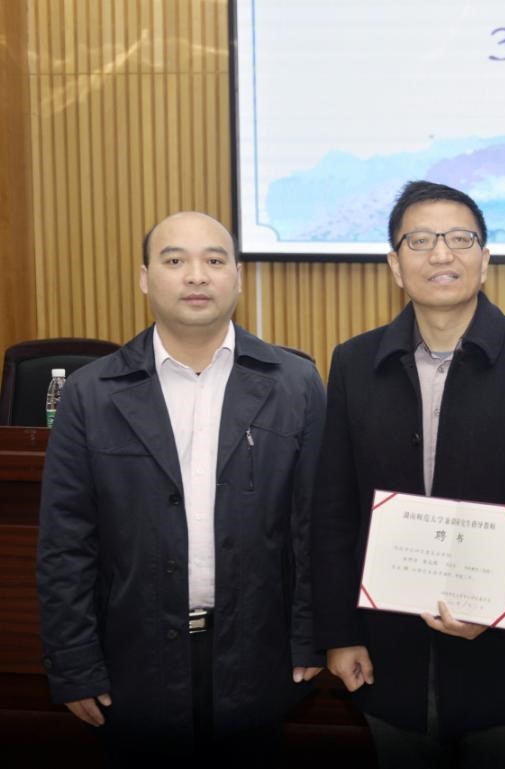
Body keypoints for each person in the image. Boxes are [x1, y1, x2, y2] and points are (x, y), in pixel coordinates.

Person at [37, 212, 326, 765]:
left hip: (258, 656)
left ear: (237, 276)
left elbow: (313, 524)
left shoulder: (295, 385)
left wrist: (310, 636)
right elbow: (65, 543)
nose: (196, 275)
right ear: (145, 278)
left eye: (214, 260)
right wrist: (72, 661)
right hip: (133, 660)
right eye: (175, 260)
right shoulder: (91, 393)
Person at [311, 180, 505, 768]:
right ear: (394, 264)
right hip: (387, 651)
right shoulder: (354, 362)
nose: (441, 254)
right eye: (420, 241)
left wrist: (497, 601)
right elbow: (333, 507)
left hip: (504, 651)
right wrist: (339, 632)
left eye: (461, 239)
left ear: (485, 260)